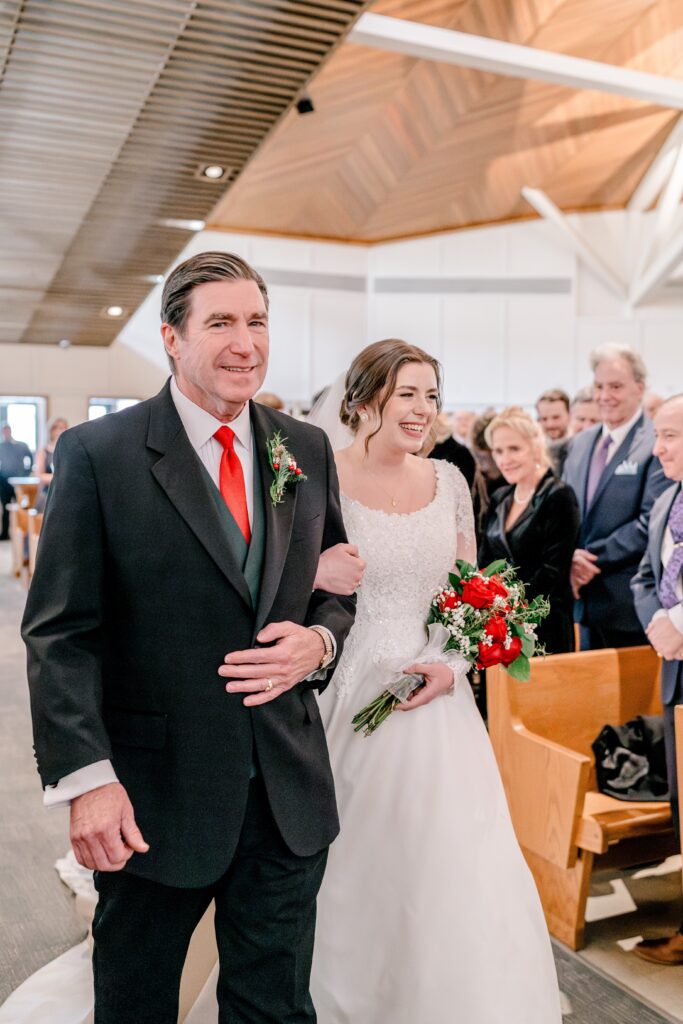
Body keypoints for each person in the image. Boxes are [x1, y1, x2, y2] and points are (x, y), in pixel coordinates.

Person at [21, 251, 357, 1024]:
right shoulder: (100, 455)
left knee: (273, 1007)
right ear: (172, 337)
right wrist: (87, 780)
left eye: (256, 322)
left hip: (285, 790)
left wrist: (320, 645)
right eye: (221, 323)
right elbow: (60, 632)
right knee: (135, 1002)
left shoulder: (302, 448)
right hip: (149, 799)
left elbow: (333, 590)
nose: (246, 343)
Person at [307, 340, 561, 1023]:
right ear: (363, 401)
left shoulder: (448, 481)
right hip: (353, 678)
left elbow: (467, 591)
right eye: (407, 394)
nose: (422, 410)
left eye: (430, 395)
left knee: (454, 860)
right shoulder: (322, 477)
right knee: (352, 859)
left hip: (436, 697)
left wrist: (450, 666)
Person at [563, 344, 668, 650]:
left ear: (640, 387)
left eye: (616, 386)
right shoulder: (581, 443)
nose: (605, 395)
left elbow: (651, 521)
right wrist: (570, 556)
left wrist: (588, 560)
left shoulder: (655, 443)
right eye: (599, 386)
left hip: (627, 602)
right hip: (581, 600)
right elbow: (569, 510)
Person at [631, 394, 683, 965]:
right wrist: (659, 624)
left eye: (670, 436)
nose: (659, 448)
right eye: (657, 436)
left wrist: (681, 623)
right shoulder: (668, 497)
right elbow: (647, 576)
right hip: (674, 672)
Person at [479, 408, 580, 654]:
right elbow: (484, 560)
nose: (505, 459)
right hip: (499, 627)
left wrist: (506, 605)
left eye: (514, 449)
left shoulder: (558, 496)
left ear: (535, 447)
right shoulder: (500, 497)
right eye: (499, 451)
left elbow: (552, 572)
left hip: (544, 627)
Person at [0, 424, 33, 539]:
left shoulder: (21, 446)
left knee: (22, 508)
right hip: (4, 482)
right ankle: (5, 534)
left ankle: (23, 533)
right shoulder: (1, 446)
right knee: (5, 508)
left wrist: (26, 472)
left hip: (20, 482)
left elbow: (30, 458)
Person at [429, 410, 476, 487]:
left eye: (466, 419)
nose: (463, 422)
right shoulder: (424, 449)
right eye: (459, 419)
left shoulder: (460, 452)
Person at [33, 416, 68, 512]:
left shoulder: (69, 451)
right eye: (56, 428)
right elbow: (39, 475)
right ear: (51, 430)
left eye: (62, 428)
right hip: (48, 494)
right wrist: (61, 477)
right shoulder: (43, 451)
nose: (59, 431)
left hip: (64, 494)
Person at [536, 388, 572, 476]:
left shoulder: (580, 447)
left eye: (556, 417)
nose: (550, 424)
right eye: (544, 419)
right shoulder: (532, 451)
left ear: (569, 415)